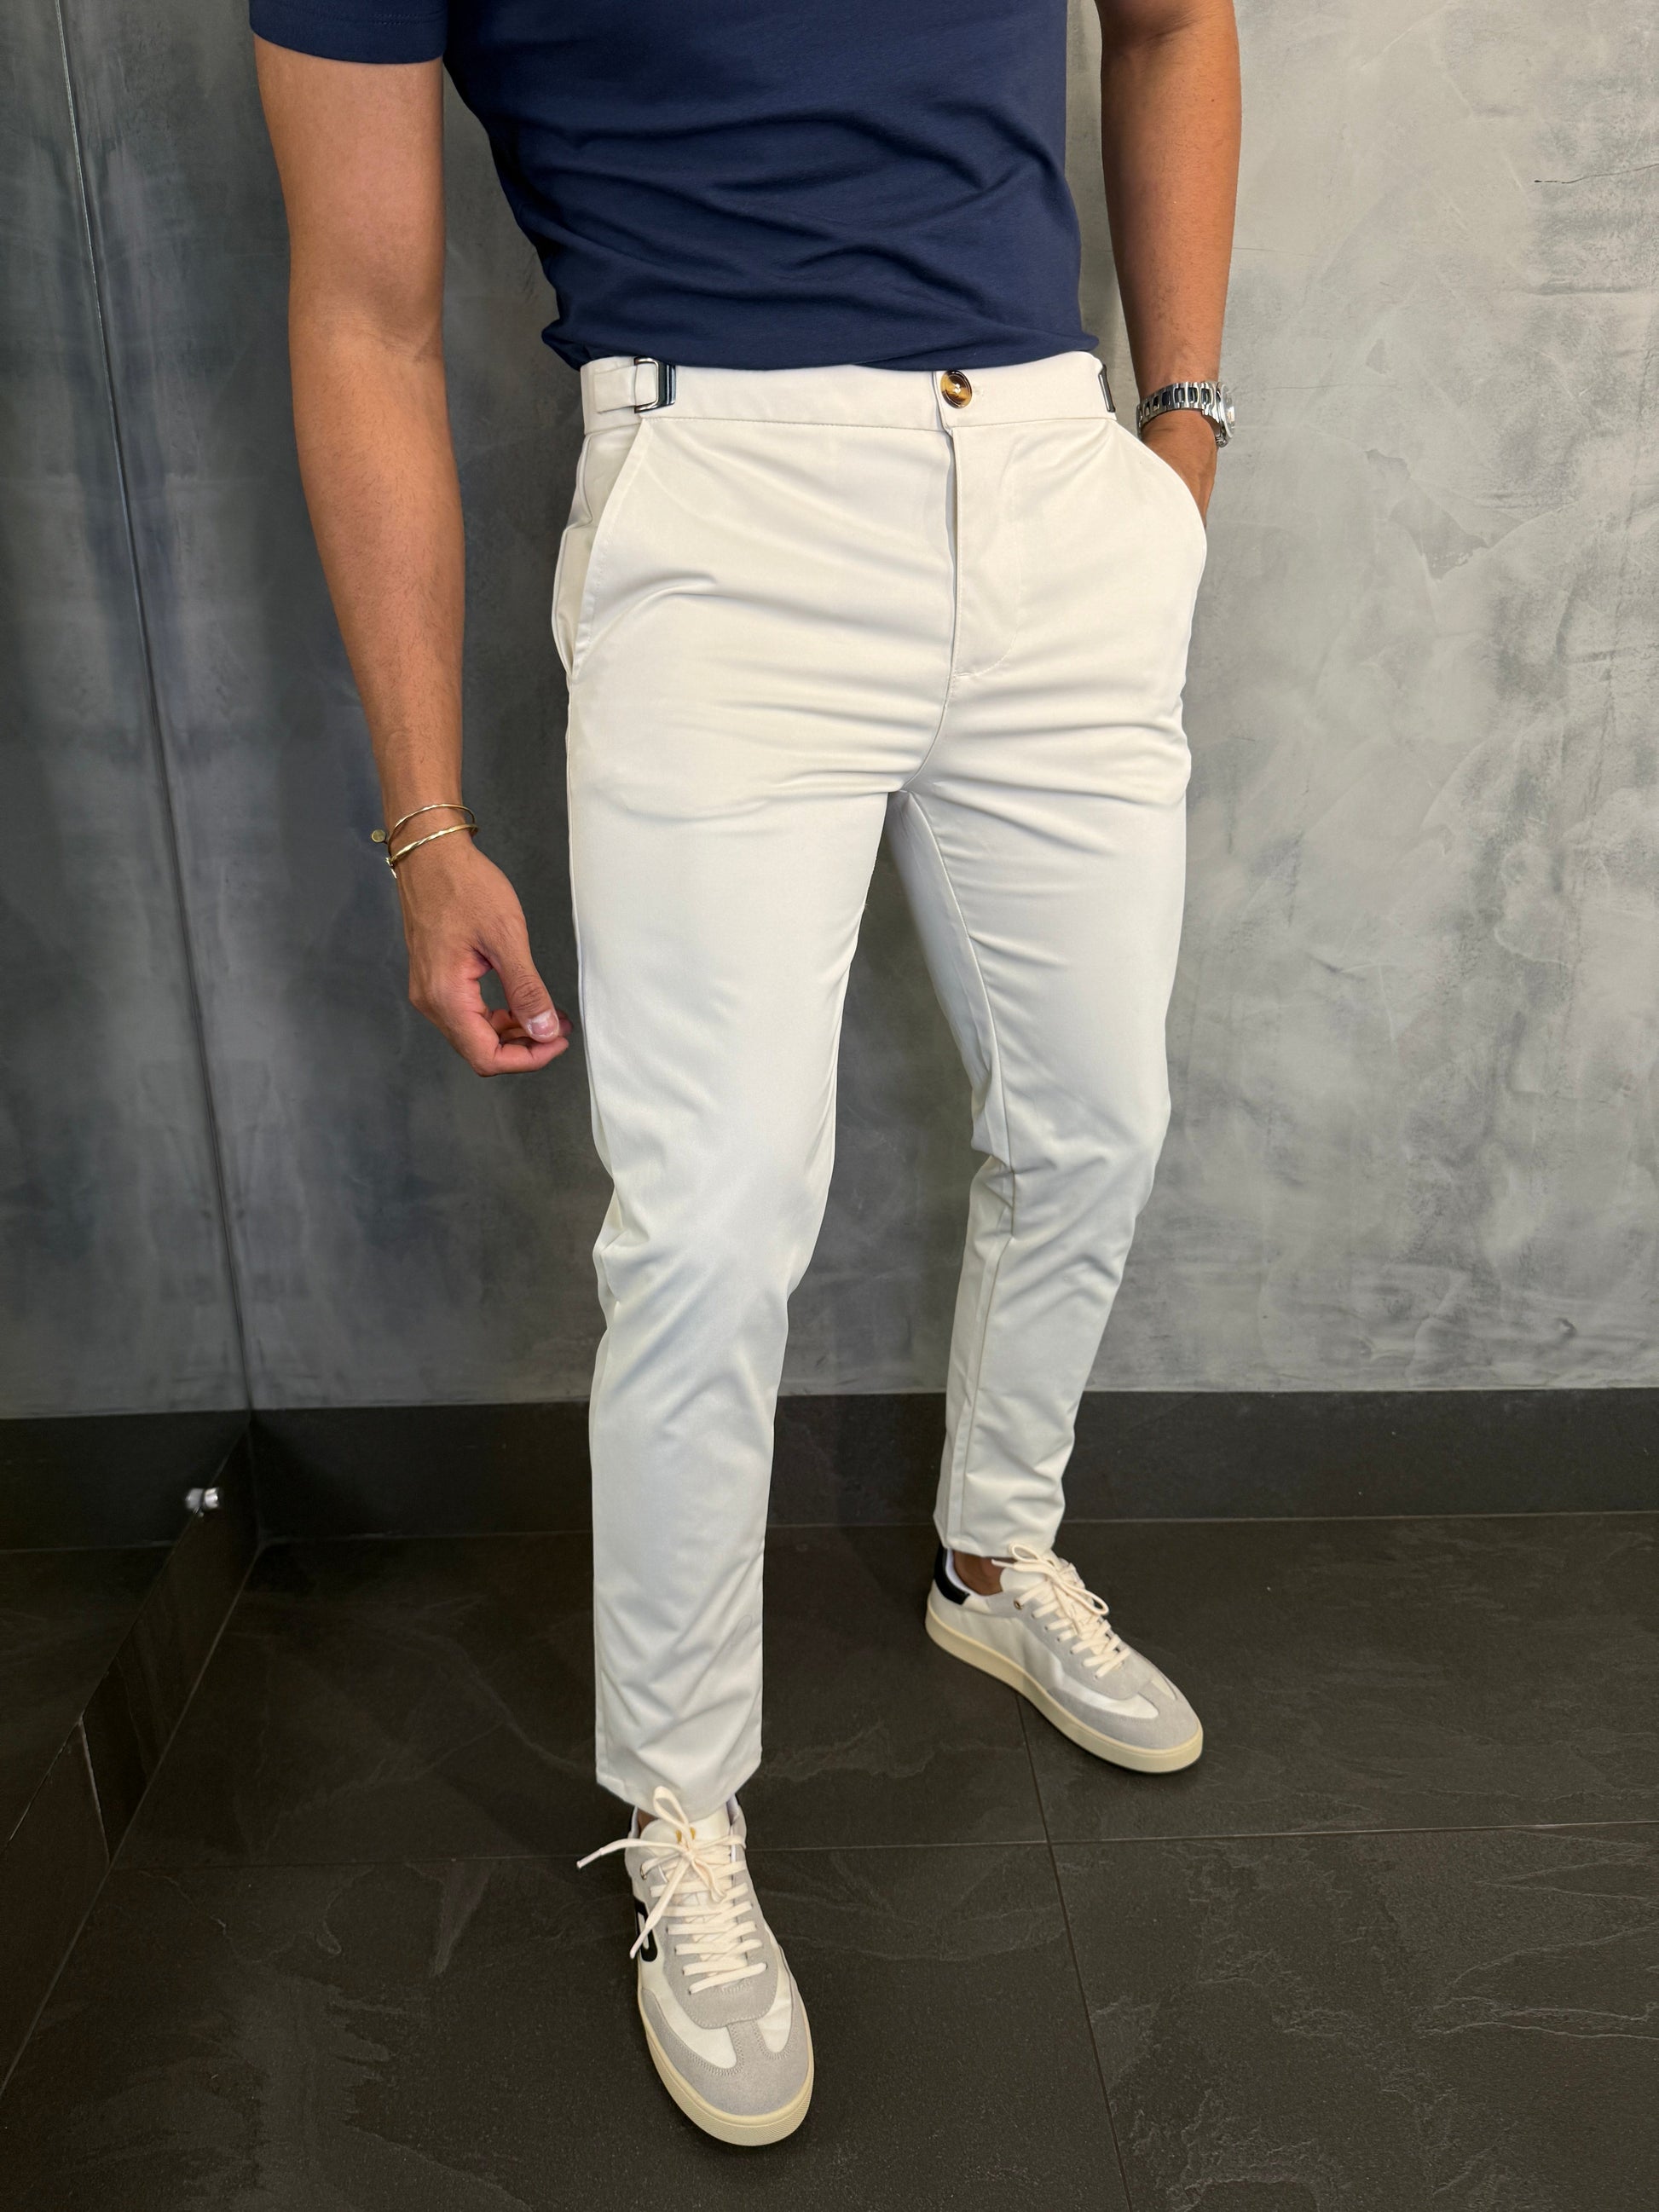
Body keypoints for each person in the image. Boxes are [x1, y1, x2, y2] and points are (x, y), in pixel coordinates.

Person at [251, 0, 1240, 2148]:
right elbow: (360, 315)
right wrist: (426, 823)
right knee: (706, 1230)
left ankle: (997, 1561)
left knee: (1099, 1114)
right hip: (720, 503)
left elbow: (1174, 20)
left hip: (1052, 478)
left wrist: (1177, 431)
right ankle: (682, 1807)